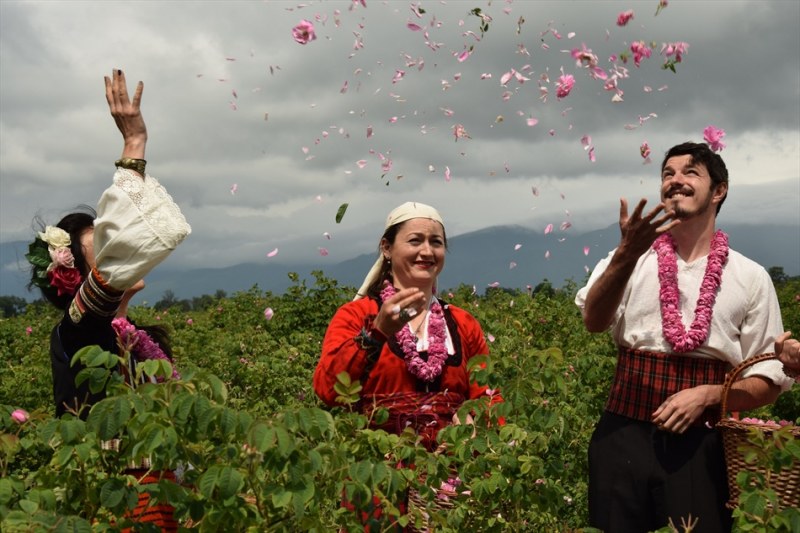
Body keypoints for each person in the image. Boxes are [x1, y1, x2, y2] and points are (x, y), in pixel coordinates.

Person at [574, 141, 794, 533]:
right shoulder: (629, 258)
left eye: (690, 172)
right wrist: (626, 253)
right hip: (621, 434)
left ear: (719, 190)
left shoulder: (750, 277)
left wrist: (712, 395)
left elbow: (769, 381)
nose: (675, 180)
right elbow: (593, 320)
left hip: (701, 445)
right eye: (667, 173)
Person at [26, 70, 190, 530]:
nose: (119, 244)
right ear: (76, 277)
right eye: (101, 242)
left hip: (169, 495)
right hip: (117, 501)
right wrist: (134, 144)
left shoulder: (139, 338)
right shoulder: (76, 331)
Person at [313, 202, 502, 528]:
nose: (426, 251)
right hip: (376, 486)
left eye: (436, 242)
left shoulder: (463, 324)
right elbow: (327, 390)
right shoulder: (357, 316)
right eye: (415, 241)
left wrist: (476, 418)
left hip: (448, 488)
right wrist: (377, 333)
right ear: (387, 248)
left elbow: (490, 397)